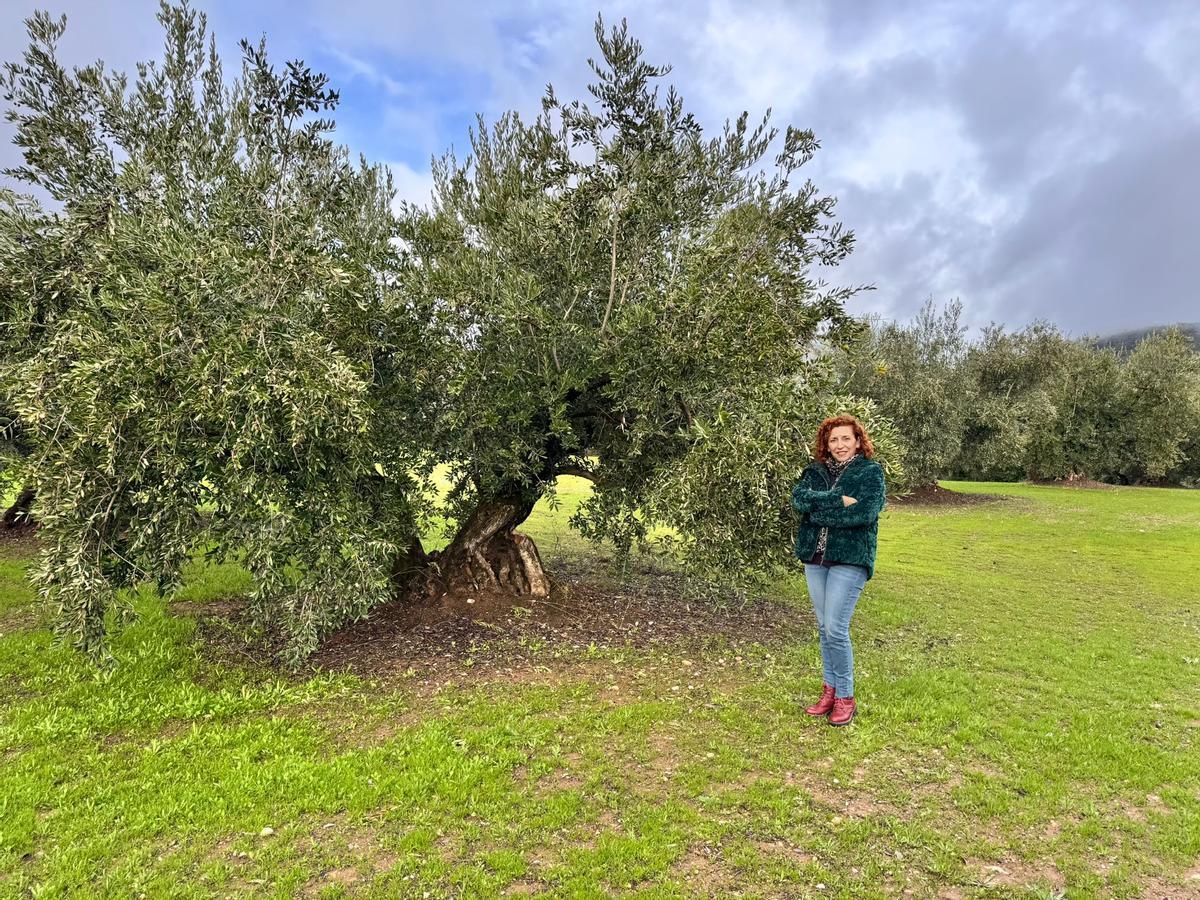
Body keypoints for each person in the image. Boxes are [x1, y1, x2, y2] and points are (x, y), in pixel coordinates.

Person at [790, 414, 886, 726]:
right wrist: (836, 500)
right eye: (834, 440)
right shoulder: (815, 471)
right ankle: (829, 692)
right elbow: (799, 498)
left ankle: (846, 697)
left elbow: (864, 512)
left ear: (858, 441)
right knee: (823, 628)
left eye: (846, 438)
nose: (840, 445)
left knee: (835, 627)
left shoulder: (869, 472)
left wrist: (819, 513)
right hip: (815, 558)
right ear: (826, 445)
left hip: (850, 558)